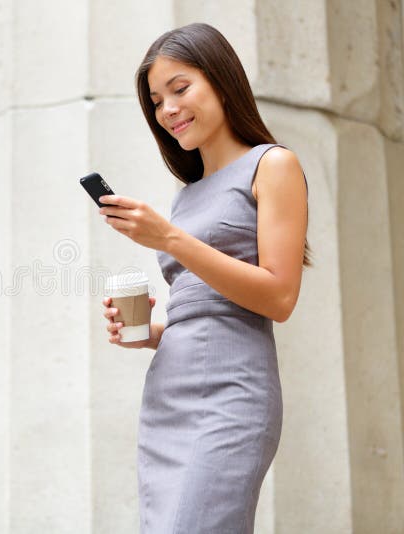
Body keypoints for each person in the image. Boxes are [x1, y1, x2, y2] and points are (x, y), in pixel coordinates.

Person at [99, 23, 310, 533]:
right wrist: (150, 334)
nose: (167, 109)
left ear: (221, 81)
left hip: (233, 396)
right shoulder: (186, 196)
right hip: (168, 398)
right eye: (155, 101)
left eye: (180, 88)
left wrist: (170, 240)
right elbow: (210, 312)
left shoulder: (273, 165)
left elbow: (279, 297)